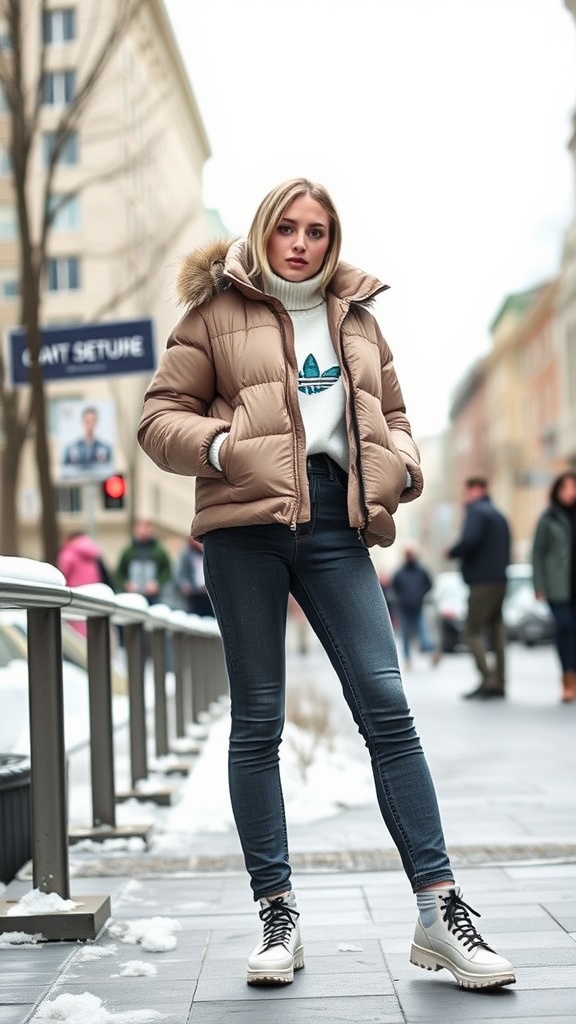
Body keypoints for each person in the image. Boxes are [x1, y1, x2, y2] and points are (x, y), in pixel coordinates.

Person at [137, 178, 515, 991]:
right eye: (288, 228)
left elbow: (399, 415)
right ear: (264, 232)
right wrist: (224, 446)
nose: (302, 242)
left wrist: (402, 464)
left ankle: (439, 910)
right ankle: (277, 915)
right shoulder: (213, 315)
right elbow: (158, 417)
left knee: (388, 704)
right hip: (245, 532)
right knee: (258, 721)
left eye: (317, 230)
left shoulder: (359, 319)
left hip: (339, 528)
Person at [446, 475, 511, 700]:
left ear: (474, 490)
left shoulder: (477, 512)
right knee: (497, 631)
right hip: (500, 581)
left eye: (466, 491)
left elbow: (470, 540)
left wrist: (452, 552)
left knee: (471, 630)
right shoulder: (499, 515)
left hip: (482, 582)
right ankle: (500, 682)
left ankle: (488, 678)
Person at [531, 469, 576, 703]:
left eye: (573, 487)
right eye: (565, 488)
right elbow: (537, 553)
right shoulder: (549, 517)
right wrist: (539, 585)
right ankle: (568, 678)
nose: (570, 492)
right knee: (566, 628)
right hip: (558, 585)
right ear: (557, 491)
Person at [391, 545, 441, 669]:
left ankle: (432, 653)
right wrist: (401, 598)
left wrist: (421, 595)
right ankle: (408, 660)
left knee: (422, 633)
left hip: (417, 607)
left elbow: (429, 584)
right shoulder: (399, 572)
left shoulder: (421, 571)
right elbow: (394, 588)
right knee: (406, 635)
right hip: (404, 608)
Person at [57, 531, 113, 634]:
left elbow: (61, 577)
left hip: (75, 599)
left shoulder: (68, 553)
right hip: (93, 597)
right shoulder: (93, 554)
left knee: (76, 636)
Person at [115, 518, 172, 605]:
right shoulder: (128, 551)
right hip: (133, 596)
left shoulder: (159, 551)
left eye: (146, 528)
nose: (143, 531)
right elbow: (119, 574)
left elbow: (167, 571)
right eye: (140, 528)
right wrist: (126, 585)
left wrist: (158, 583)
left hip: (154, 597)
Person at [62, 405, 112, 474]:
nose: (90, 426)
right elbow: (65, 471)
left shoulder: (105, 447)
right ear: (82, 422)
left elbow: (109, 470)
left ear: (96, 423)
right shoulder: (71, 448)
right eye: (87, 422)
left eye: (93, 422)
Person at [173, 537, 214, 616]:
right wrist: (184, 584)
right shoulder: (187, 553)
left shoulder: (207, 552)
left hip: (207, 594)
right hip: (193, 595)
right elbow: (179, 571)